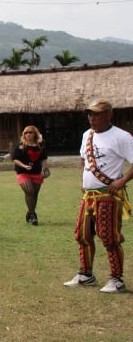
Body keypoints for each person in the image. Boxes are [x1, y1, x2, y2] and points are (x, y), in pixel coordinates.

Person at [65, 99, 133, 293]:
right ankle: (86, 275)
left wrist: (122, 181)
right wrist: (84, 181)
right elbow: (83, 159)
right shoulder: (87, 135)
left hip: (108, 195)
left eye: (96, 114)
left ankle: (116, 279)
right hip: (88, 195)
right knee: (82, 235)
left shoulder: (122, 137)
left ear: (109, 115)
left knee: (109, 237)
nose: (91, 118)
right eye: (90, 114)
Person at [11, 126, 48, 225]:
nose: (28, 134)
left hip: (37, 173)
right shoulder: (20, 146)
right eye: (26, 133)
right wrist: (23, 166)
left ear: (35, 133)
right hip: (23, 173)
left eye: (30, 132)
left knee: (34, 194)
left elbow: (44, 159)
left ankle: (29, 212)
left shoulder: (40, 146)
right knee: (30, 191)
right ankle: (33, 215)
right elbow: (14, 158)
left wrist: (44, 169)